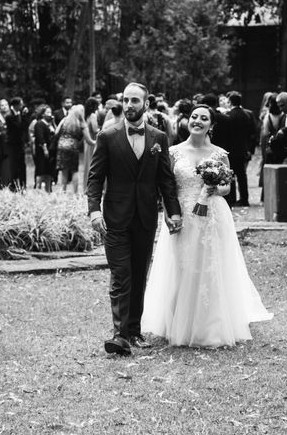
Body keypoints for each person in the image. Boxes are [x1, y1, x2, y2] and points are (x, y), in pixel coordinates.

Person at [142, 104, 272, 347]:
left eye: (204, 118)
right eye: (194, 117)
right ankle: (178, 322)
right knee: (181, 266)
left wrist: (213, 187)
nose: (197, 121)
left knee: (209, 267)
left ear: (212, 125)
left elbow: (227, 187)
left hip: (210, 216)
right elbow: (166, 185)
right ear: (187, 121)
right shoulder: (174, 152)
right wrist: (170, 213)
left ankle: (209, 326)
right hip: (182, 214)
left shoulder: (219, 153)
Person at [87, 82, 182, 356]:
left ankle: (134, 331)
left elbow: (166, 179)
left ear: (146, 104)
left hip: (145, 217)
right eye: (126, 100)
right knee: (121, 274)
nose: (129, 105)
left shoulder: (159, 138)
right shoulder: (107, 136)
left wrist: (172, 210)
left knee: (139, 274)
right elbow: (95, 178)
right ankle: (119, 335)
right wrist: (94, 210)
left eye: (135, 101)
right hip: (114, 218)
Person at [225, 91, 256, 206]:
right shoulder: (247, 115)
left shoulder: (228, 115)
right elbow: (252, 133)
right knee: (242, 175)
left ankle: (232, 198)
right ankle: (244, 198)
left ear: (230, 102)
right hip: (243, 148)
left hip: (231, 149)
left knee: (231, 174)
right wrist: (249, 148)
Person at [56, 104, 95, 193]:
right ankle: (75, 192)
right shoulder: (81, 123)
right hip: (73, 147)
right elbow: (89, 140)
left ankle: (63, 191)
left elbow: (56, 132)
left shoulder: (64, 120)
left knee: (64, 170)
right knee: (74, 170)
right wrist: (97, 142)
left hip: (61, 146)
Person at [5, 96, 28, 192]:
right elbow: (18, 127)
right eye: (21, 104)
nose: (22, 106)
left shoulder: (20, 115)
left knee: (22, 165)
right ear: (16, 105)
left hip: (20, 144)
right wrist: (22, 116)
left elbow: (24, 127)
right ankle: (13, 186)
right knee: (13, 166)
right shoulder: (9, 116)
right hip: (12, 144)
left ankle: (23, 186)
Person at [33, 104, 55, 192]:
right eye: (48, 112)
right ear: (42, 114)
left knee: (48, 172)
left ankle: (48, 189)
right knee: (41, 170)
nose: (50, 114)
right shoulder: (39, 124)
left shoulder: (49, 124)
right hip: (42, 151)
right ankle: (38, 189)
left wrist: (53, 124)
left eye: (50, 112)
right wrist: (45, 148)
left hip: (50, 150)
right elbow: (40, 138)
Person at [82, 97, 101, 192]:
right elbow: (95, 129)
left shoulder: (86, 115)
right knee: (92, 164)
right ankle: (90, 188)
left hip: (87, 142)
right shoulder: (93, 115)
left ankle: (86, 187)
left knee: (87, 165)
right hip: (93, 141)